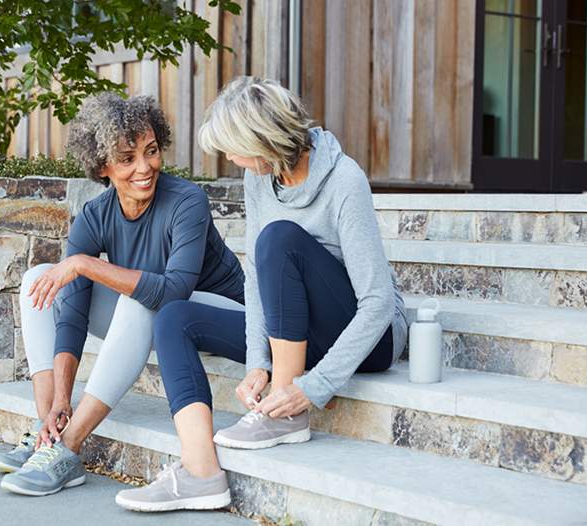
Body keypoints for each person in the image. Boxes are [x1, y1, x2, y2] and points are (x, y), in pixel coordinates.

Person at [116, 75, 407, 510]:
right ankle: (200, 472)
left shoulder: (344, 180)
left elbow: (379, 303)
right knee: (176, 317)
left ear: (263, 139)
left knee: (278, 239)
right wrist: (258, 363)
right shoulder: (260, 180)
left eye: (234, 147)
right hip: (298, 334)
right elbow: (255, 279)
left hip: (369, 341)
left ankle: (285, 414)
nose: (230, 158)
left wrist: (311, 388)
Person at [0, 92, 244, 507]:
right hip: (163, 324)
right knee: (40, 279)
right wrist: (59, 399)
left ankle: (68, 448)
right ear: (103, 166)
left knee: (138, 297)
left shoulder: (187, 201)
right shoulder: (95, 214)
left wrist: (87, 265)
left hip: (221, 317)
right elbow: (70, 312)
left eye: (151, 151)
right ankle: (47, 433)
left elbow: (174, 290)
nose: (144, 168)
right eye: (127, 158)